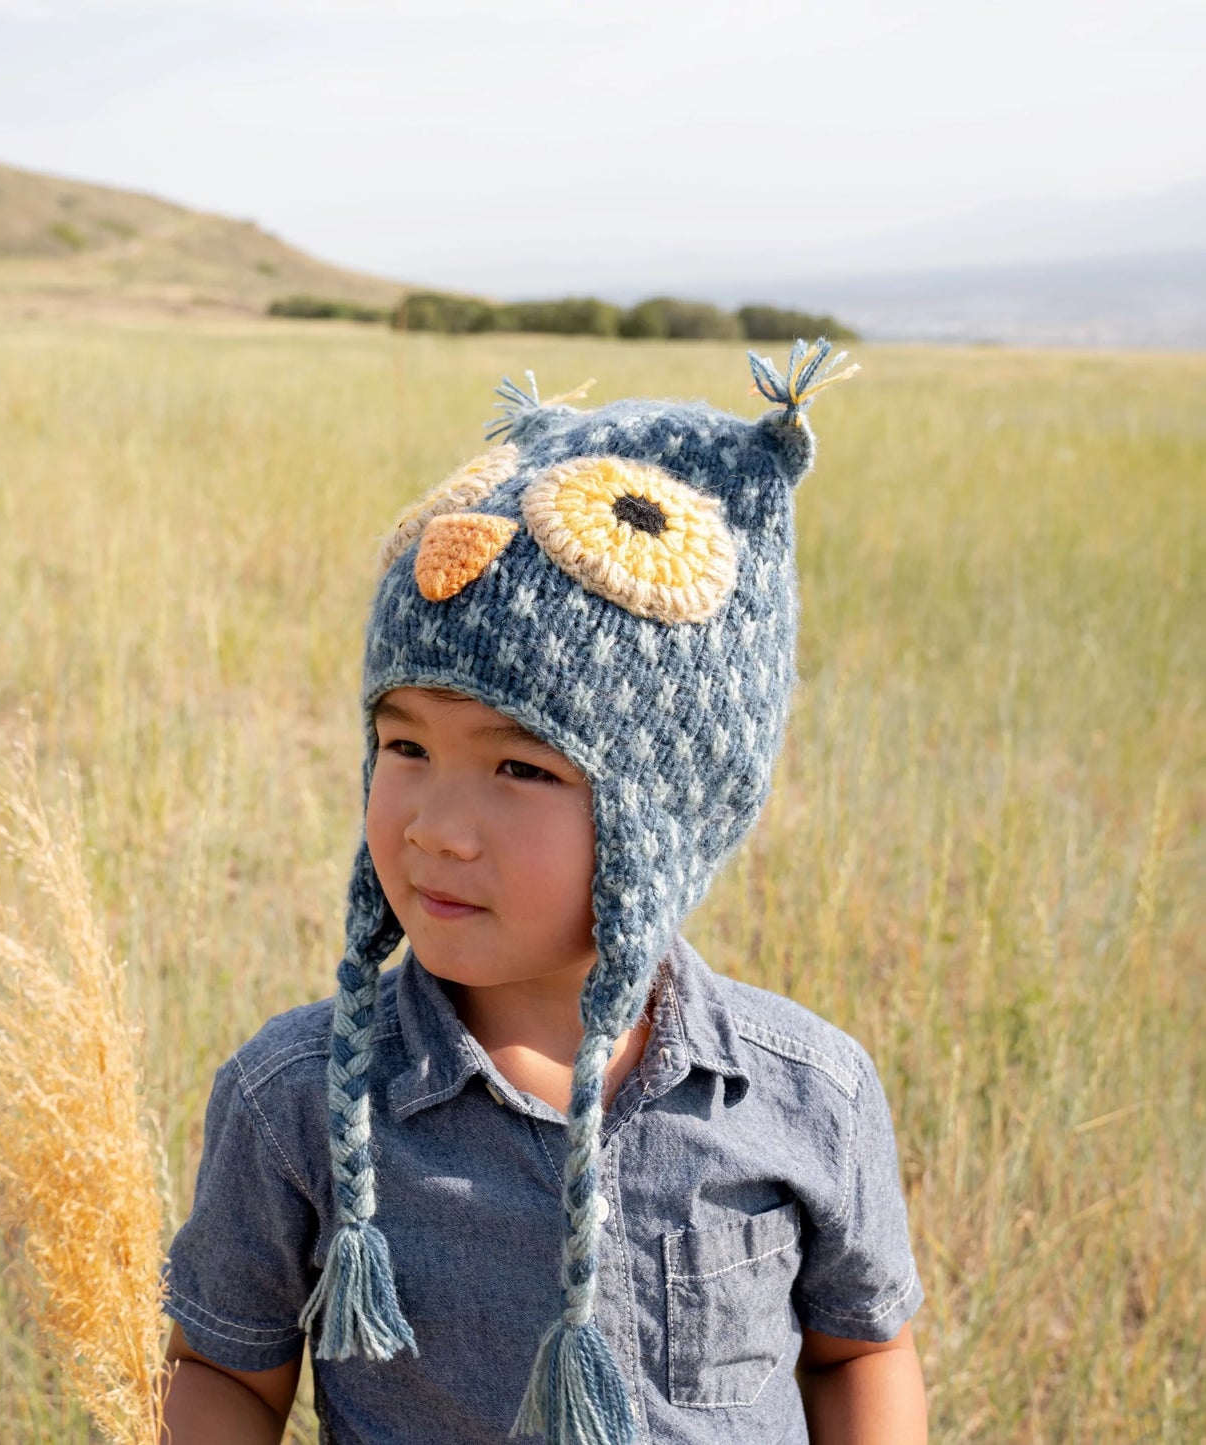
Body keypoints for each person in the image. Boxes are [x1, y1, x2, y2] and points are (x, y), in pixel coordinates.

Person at [159, 343, 927, 1445]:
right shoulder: (300, 1101)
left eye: (520, 766)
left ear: (661, 816)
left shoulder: (805, 1094)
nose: (432, 824)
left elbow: (860, 1350)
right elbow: (226, 1370)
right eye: (403, 744)